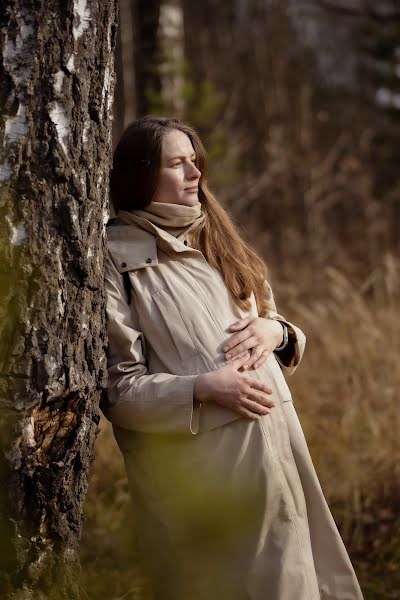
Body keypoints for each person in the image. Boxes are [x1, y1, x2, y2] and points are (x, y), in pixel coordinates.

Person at [102, 115, 364, 600]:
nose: (195, 174)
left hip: (278, 454)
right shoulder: (116, 260)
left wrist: (277, 330)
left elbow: (273, 320)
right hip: (208, 481)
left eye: (195, 161)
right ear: (142, 175)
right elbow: (118, 392)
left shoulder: (218, 240)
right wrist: (200, 389)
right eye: (177, 164)